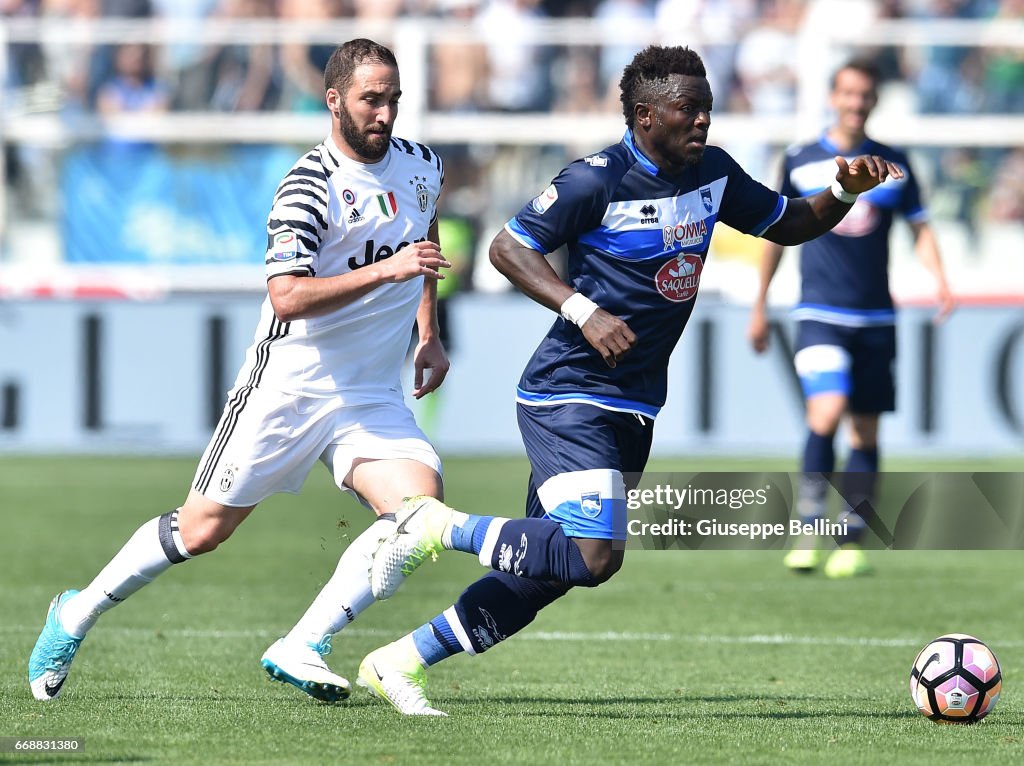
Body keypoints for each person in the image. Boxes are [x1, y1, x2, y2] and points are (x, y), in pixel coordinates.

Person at [354, 44, 905, 716]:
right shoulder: (596, 179)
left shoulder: (714, 173)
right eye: (688, 110)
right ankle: (439, 526)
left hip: (635, 401)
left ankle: (399, 661)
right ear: (646, 116)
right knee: (592, 556)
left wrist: (844, 190)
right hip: (568, 391)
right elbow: (507, 248)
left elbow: (788, 223)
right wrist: (583, 311)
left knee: (544, 574)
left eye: (707, 109)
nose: (703, 122)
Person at [28, 38, 451, 703]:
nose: (386, 113)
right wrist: (386, 271)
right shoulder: (308, 186)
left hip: (369, 391)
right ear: (334, 100)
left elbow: (421, 246)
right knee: (201, 531)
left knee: (419, 513)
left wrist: (429, 333)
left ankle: (304, 642)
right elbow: (287, 295)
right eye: (372, 99)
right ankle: (75, 613)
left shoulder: (423, 166)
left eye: (394, 99)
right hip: (289, 383)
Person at [747, 58, 954, 578]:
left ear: (874, 101)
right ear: (833, 97)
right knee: (826, 411)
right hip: (819, 312)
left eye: (866, 95)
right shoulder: (800, 159)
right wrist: (759, 302)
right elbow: (778, 232)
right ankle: (809, 524)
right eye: (849, 94)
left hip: (877, 318)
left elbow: (919, 228)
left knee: (865, 433)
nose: (857, 103)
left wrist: (941, 282)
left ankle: (850, 540)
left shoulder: (894, 163)